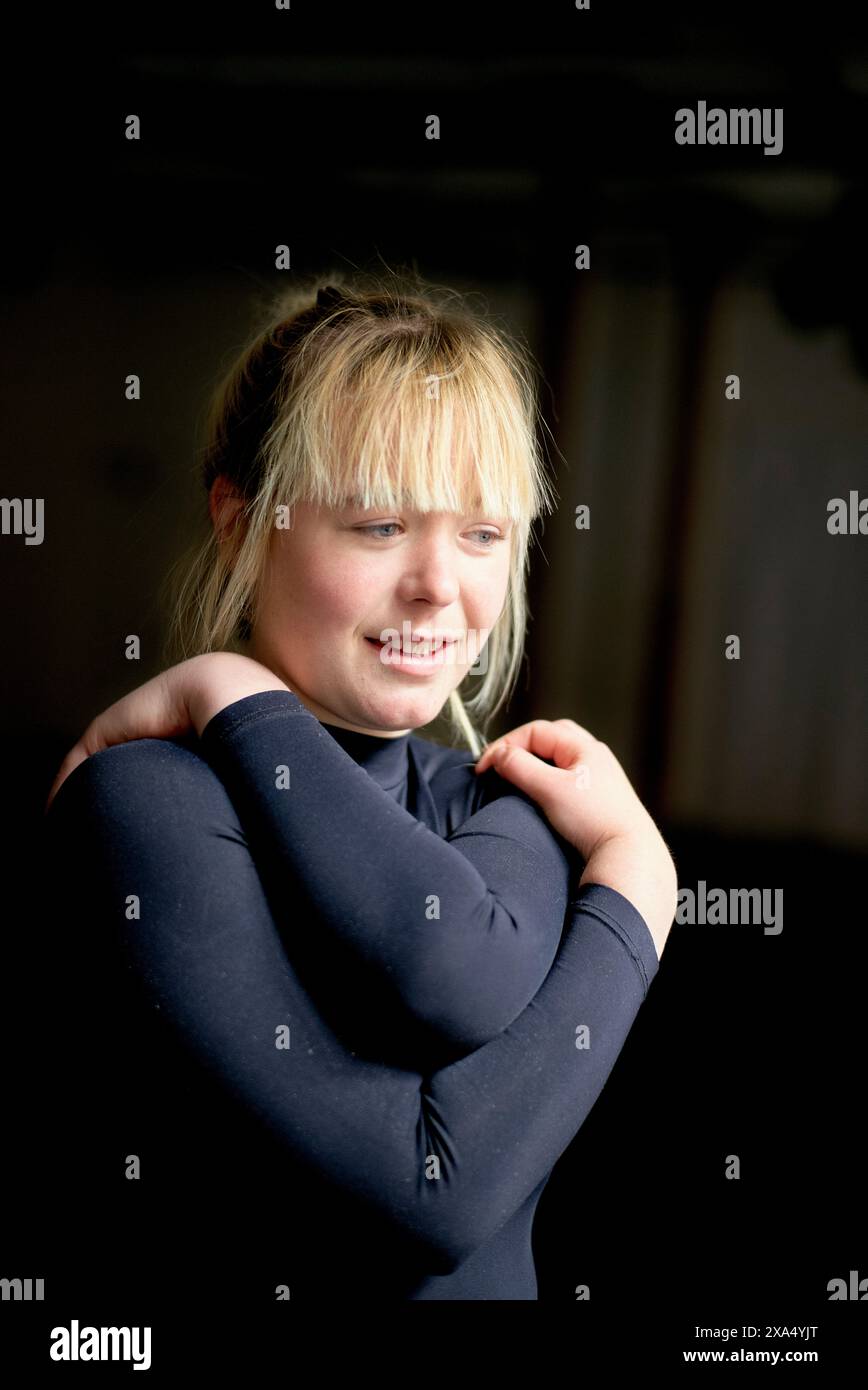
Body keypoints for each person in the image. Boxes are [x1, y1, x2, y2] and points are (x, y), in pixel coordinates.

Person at [42, 274, 677, 1302]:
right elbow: (434, 1199)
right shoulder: (147, 805)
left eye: (481, 531)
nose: (439, 583)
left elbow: (458, 965)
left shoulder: (501, 799)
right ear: (242, 526)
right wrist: (638, 892)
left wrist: (642, 868)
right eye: (380, 525)